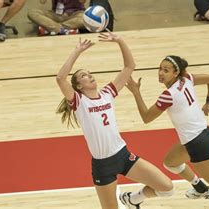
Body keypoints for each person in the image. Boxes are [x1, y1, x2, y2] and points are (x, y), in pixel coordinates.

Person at [125, 55, 209, 209]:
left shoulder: (168, 95)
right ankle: (200, 188)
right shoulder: (186, 79)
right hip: (202, 136)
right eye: (160, 69)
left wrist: (136, 92)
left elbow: (146, 118)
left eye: (166, 70)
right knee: (170, 163)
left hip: (198, 145)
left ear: (175, 73)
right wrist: (208, 102)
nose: (161, 73)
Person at [55, 32, 174, 209]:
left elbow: (129, 66)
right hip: (102, 165)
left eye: (89, 73)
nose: (89, 75)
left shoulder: (107, 93)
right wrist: (77, 51)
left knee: (167, 187)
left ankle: (132, 200)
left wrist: (120, 41)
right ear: (79, 86)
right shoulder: (79, 102)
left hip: (123, 156)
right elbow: (60, 78)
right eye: (83, 76)